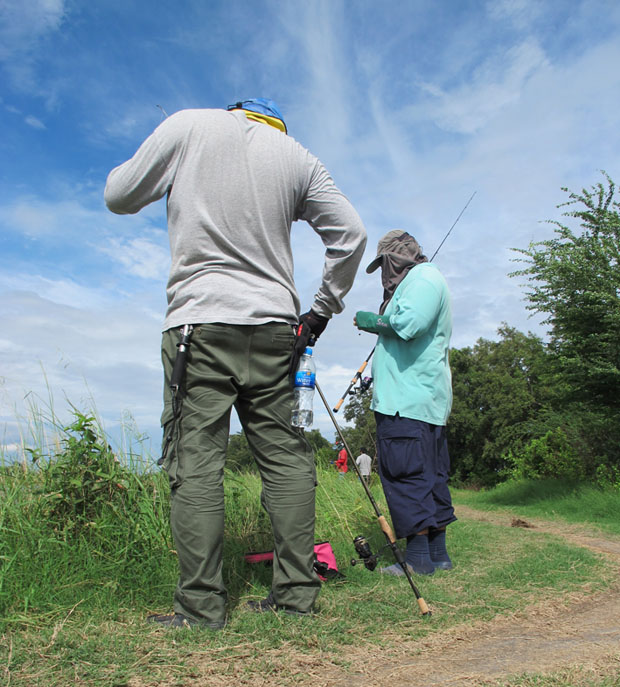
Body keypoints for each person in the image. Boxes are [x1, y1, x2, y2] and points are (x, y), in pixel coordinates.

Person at [105, 98, 366, 628]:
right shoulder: (298, 157)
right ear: (273, 122)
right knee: (288, 459)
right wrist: (318, 315)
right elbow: (351, 235)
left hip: (198, 327)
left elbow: (119, 195)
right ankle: (296, 595)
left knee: (197, 461)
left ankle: (201, 607)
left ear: (235, 111)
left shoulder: (187, 124)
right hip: (276, 330)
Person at [354, 230, 456, 576]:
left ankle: (418, 560)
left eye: (384, 263)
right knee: (429, 475)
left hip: (406, 402)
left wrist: (370, 320)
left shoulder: (424, 277)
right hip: (423, 402)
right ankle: (437, 555)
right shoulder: (419, 281)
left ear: (395, 259)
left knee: (405, 474)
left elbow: (409, 324)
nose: (384, 273)